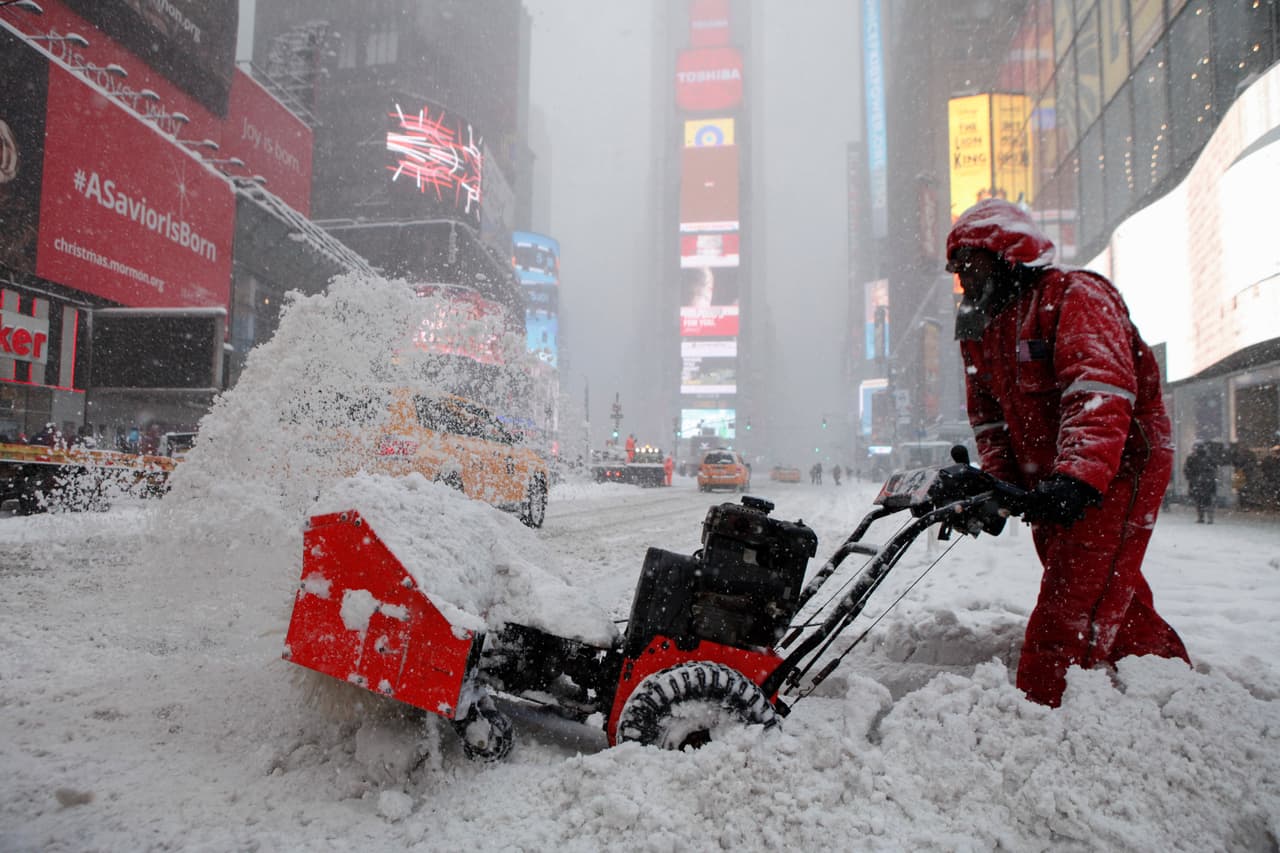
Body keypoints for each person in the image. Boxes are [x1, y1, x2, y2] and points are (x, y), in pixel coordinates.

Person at [946, 198, 1189, 707]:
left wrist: (1078, 477)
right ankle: (1165, 678)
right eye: (958, 270)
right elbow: (989, 420)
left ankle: (1045, 704)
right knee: (1100, 582)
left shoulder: (1074, 296)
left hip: (1118, 462)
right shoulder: (980, 326)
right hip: (1051, 467)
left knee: (1072, 596)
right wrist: (999, 486)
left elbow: (1099, 391)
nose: (965, 280)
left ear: (1009, 257)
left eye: (973, 265)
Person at [1183, 443, 1217, 523]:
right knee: (1208, 500)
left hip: (1197, 482)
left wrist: (1190, 477)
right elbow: (1214, 468)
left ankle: (1201, 517)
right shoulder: (1208, 458)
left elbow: (1186, 469)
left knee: (1199, 500)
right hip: (1207, 482)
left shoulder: (1192, 457)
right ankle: (1209, 518)